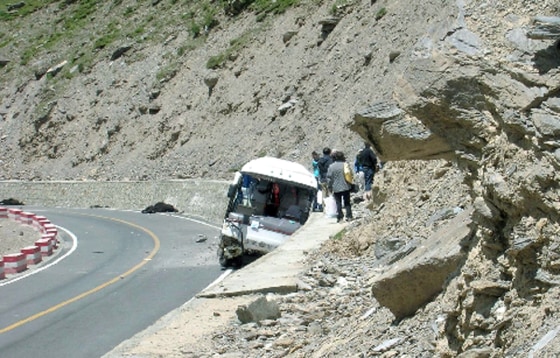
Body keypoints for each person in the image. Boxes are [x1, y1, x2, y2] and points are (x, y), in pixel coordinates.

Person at [326, 151, 353, 222]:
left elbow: (329, 178)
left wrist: (329, 187)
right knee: (347, 202)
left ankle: (340, 217)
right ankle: (349, 216)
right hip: (345, 186)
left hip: (336, 187)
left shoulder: (331, 167)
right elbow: (350, 174)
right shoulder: (345, 164)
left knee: (338, 203)